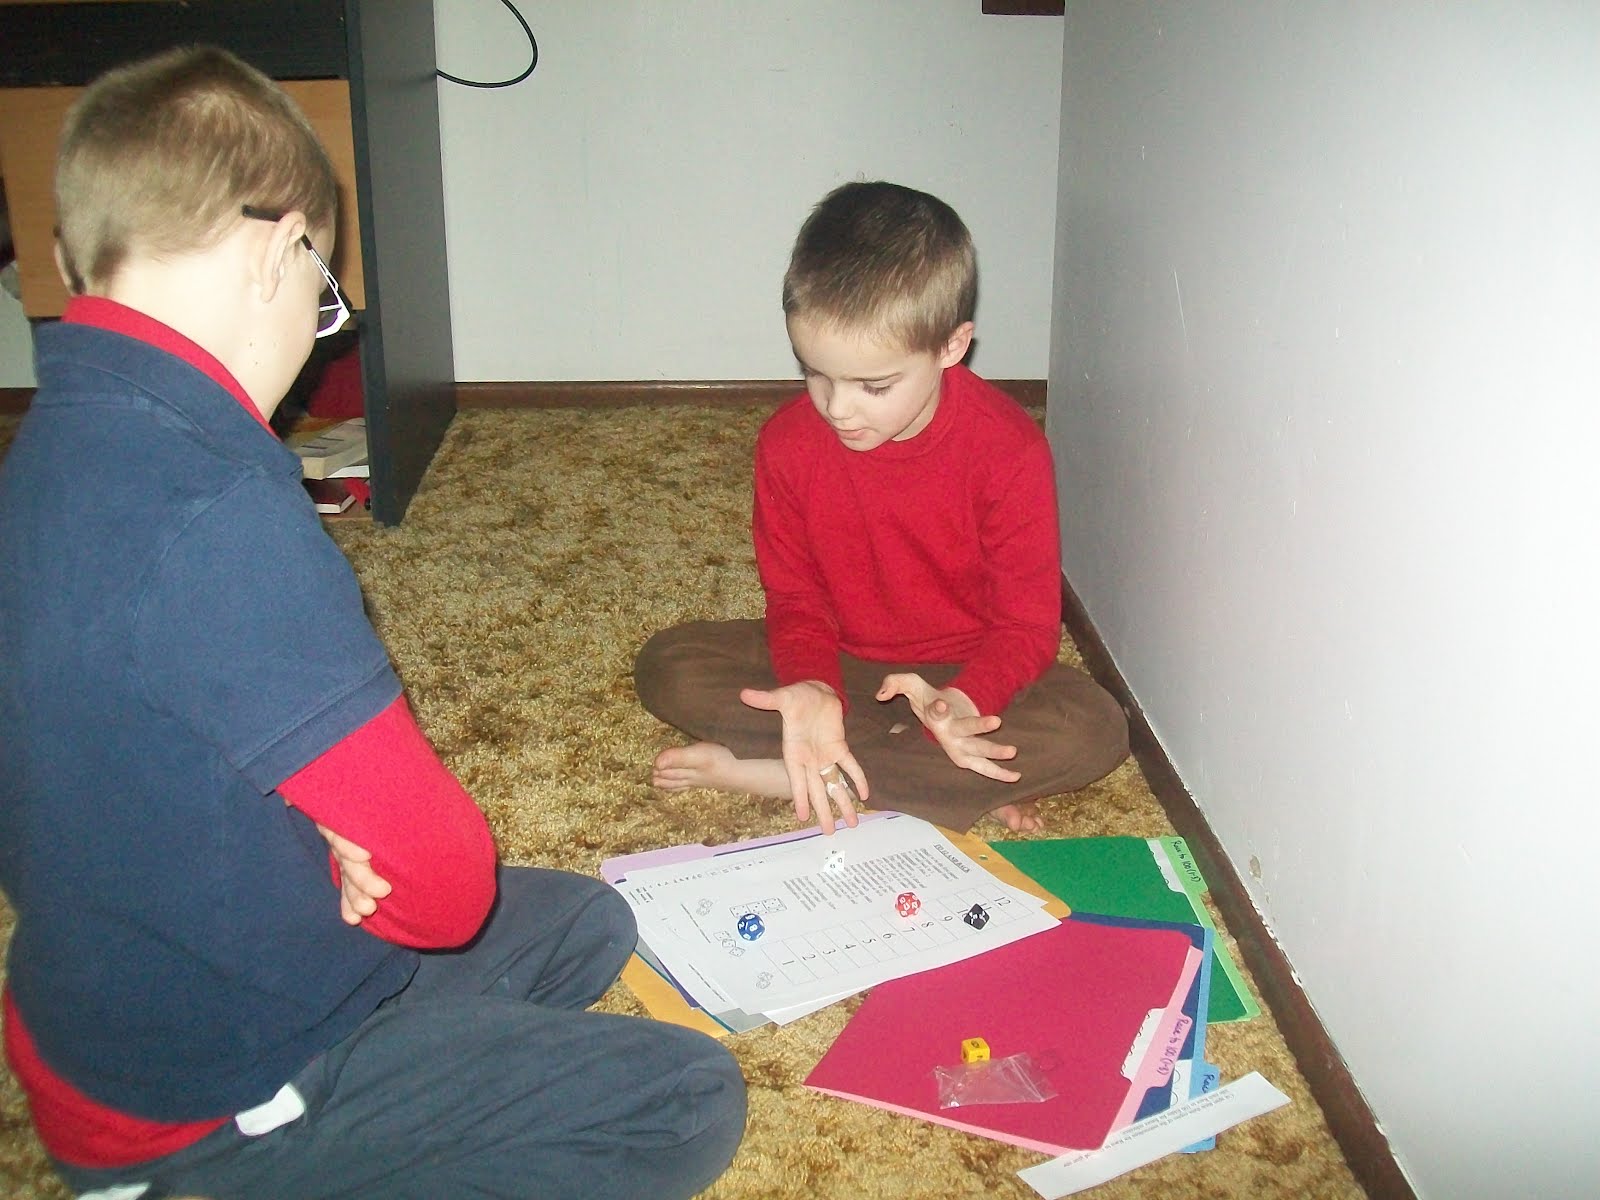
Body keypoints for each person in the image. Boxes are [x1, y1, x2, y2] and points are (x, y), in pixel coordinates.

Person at [0, 46, 744, 1200]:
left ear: (67, 263)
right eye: (322, 290)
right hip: (214, 1087)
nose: (321, 327)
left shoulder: (47, 452)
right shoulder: (221, 511)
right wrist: (364, 851)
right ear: (277, 252)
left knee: (588, 923)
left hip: (116, 1001)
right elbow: (440, 883)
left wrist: (320, 834)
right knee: (687, 1100)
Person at [635, 181, 1128, 837]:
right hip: (839, 659)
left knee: (1095, 728)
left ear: (951, 346)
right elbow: (796, 600)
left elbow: (1026, 624)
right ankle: (901, 771)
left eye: (874, 385)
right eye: (816, 373)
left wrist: (963, 701)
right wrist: (813, 687)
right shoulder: (787, 445)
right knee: (669, 665)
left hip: (963, 669)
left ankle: (797, 773)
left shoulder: (1008, 450)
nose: (838, 408)